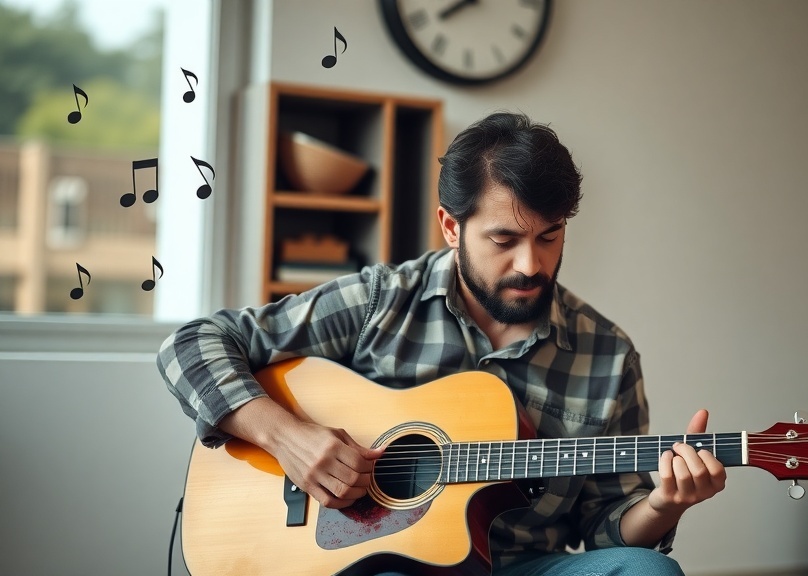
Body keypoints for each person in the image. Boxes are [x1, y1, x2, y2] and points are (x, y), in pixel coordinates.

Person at [157, 111, 726, 575]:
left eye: (550, 237)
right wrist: (290, 439)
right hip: (386, 564)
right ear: (451, 228)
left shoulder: (607, 354)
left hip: (526, 567)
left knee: (649, 574)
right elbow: (191, 345)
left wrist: (663, 504)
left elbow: (605, 526)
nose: (531, 263)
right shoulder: (382, 300)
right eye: (504, 239)